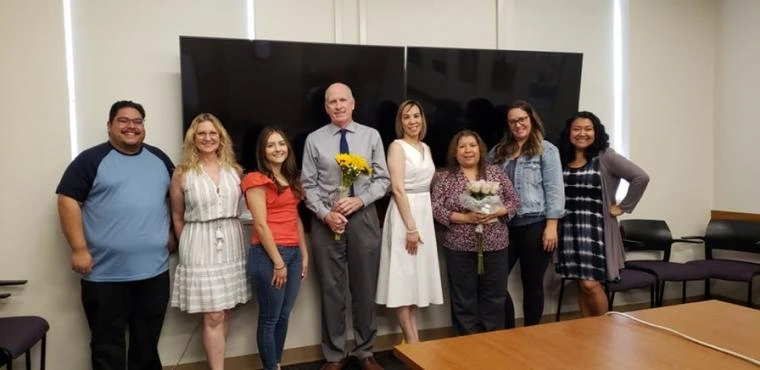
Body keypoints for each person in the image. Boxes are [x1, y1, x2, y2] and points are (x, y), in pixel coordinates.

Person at [56, 100, 174, 370]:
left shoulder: (160, 159)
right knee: (107, 346)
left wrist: (172, 233)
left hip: (154, 272)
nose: (131, 126)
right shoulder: (90, 160)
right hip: (104, 274)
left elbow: (176, 199)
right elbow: (67, 200)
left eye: (138, 121)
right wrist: (79, 249)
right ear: (110, 126)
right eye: (123, 120)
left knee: (146, 345)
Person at [301, 82, 390, 370]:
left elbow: (383, 180)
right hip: (326, 223)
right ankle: (335, 354)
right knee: (331, 290)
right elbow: (307, 185)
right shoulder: (314, 140)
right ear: (326, 107)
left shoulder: (371, 136)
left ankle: (365, 351)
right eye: (332, 102)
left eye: (343, 100)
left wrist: (361, 200)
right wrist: (326, 214)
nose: (338, 106)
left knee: (364, 289)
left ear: (353, 103)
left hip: (363, 219)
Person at [169, 113, 251, 370]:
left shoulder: (235, 170)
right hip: (198, 243)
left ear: (221, 138)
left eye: (213, 133)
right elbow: (177, 214)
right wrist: (186, 245)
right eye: (202, 133)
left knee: (225, 310)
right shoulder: (182, 174)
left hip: (231, 240)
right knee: (213, 313)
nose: (207, 138)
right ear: (193, 138)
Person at [556, 111, 649, 316]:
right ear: (569, 132)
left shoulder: (605, 156)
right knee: (581, 283)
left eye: (588, 129)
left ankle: (604, 330)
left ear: (596, 132)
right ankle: (587, 328)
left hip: (596, 230)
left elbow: (640, 177)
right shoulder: (563, 158)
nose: (582, 133)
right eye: (577, 129)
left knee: (591, 285)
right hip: (569, 230)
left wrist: (623, 206)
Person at [431, 130, 519, 335]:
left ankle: (492, 345)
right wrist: (467, 218)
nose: (468, 150)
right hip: (459, 248)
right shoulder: (445, 178)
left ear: (480, 149)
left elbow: (513, 201)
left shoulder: (495, 173)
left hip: (495, 245)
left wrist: (496, 211)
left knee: (495, 298)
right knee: (463, 300)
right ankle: (466, 346)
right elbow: (436, 208)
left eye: (472, 145)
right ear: (455, 152)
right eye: (462, 146)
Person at [488, 100, 565, 327]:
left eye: (522, 119)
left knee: (532, 283)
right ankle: (510, 332)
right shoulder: (498, 151)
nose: (518, 125)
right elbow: (486, 183)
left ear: (531, 119)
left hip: (536, 224)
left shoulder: (547, 150)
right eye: (513, 121)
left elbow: (554, 190)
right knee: (495, 282)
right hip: (504, 226)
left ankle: (531, 334)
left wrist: (552, 226)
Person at [375, 100, 443, 344]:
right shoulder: (397, 147)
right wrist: (411, 227)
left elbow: (431, 182)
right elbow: (397, 188)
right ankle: (414, 345)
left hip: (423, 212)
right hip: (406, 215)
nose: (413, 121)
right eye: (407, 117)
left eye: (417, 116)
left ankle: (410, 341)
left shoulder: (426, 147)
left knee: (414, 279)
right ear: (400, 122)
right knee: (403, 279)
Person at [241, 127, 309, 370]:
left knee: (283, 315)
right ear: (262, 151)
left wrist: (303, 253)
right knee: (270, 318)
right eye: (271, 145)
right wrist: (278, 262)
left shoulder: (291, 179)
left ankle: (276, 364)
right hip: (268, 256)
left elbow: (295, 218)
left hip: (292, 253)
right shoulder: (255, 179)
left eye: (281, 143)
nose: (278, 149)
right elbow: (260, 223)